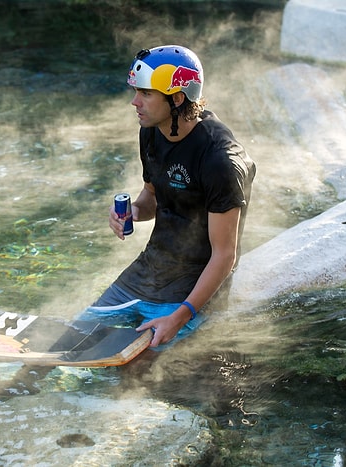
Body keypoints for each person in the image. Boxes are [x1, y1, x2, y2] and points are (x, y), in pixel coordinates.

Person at [80, 45, 256, 348]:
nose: (135, 102)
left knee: (139, 372)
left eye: (146, 94)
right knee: (71, 339)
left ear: (177, 98)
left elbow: (225, 255)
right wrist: (134, 211)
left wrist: (180, 316)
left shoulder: (219, 162)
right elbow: (152, 196)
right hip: (149, 270)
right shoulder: (151, 130)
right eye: (136, 92)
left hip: (191, 289)